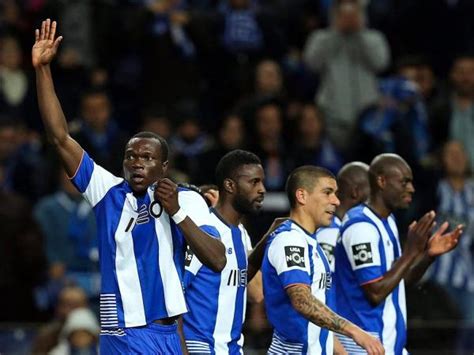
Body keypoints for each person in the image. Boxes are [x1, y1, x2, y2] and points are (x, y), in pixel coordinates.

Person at [32, 19, 226, 354]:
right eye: (130, 155)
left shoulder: (184, 199)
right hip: (122, 332)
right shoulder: (106, 192)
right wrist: (43, 70)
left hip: (168, 334)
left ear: (164, 166)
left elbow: (218, 260)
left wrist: (178, 213)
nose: (137, 162)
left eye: (147, 157)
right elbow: (60, 138)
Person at [334, 153, 463, 354]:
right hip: (365, 345)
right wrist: (410, 253)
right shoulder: (360, 227)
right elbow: (375, 292)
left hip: (389, 343)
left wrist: (428, 255)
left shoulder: (388, 221)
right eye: (404, 182)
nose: (411, 189)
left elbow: (399, 282)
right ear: (382, 181)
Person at [261, 166, 384, 354]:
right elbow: (302, 301)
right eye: (327, 193)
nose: (335, 201)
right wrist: (355, 332)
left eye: (335, 193)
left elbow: (316, 324)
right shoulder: (290, 239)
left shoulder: (309, 241)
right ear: (301, 196)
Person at [183, 149, 267, 354]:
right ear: (230, 185)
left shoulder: (240, 233)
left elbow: (257, 293)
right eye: (254, 182)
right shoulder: (204, 229)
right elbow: (173, 294)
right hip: (199, 347)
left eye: (262, 182)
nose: (262, 189)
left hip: (231, 348)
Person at [316, 162, 369, 272]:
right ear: (355, 192)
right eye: (372, 188)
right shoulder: (330, 232)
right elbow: (325, 281)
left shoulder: (346, 225)